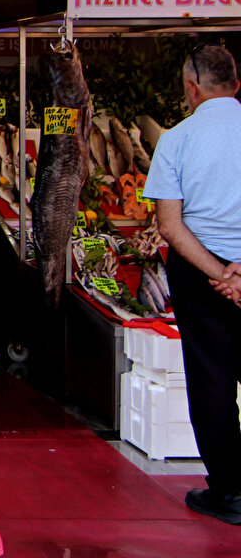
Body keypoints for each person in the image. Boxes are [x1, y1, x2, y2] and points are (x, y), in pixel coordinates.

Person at [148, 43, 241, 525]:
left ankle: (230, 492)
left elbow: (169, 225)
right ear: (236, 85)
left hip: (201, 272)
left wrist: (220, 273)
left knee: (213, 381)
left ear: (191, 87)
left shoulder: (177, 140)